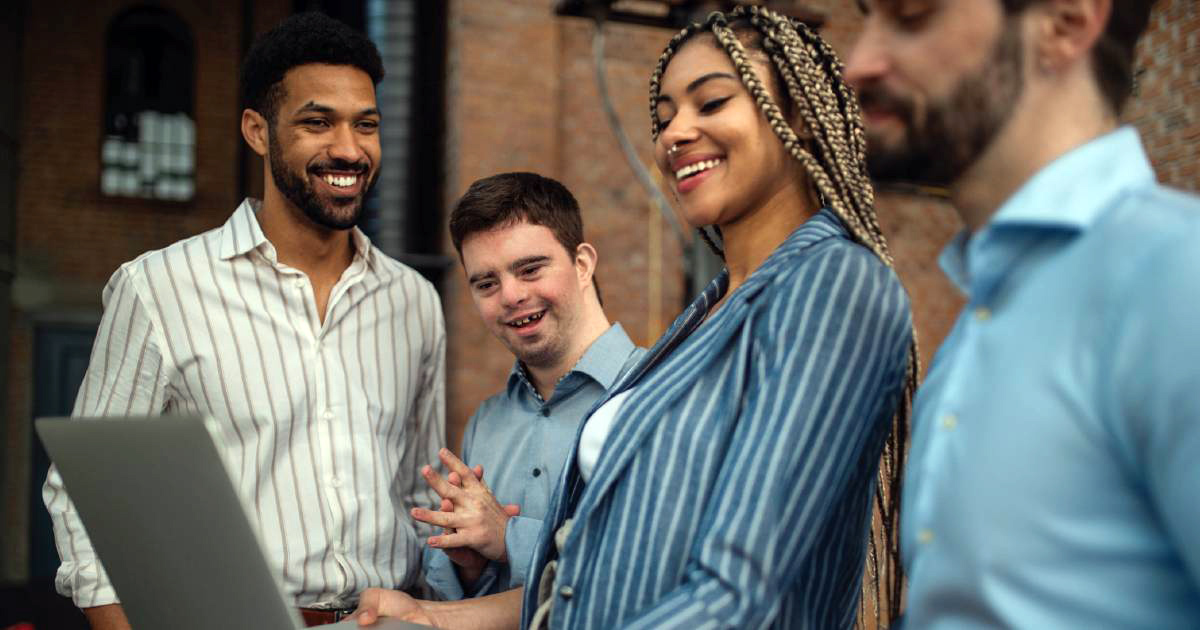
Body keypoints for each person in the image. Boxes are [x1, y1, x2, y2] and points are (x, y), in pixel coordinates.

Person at [354, 6, 917, 628]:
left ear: (801, 118)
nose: (675, 133)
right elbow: (586, 581)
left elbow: (740, 594)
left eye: (711, 102)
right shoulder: (708, 315)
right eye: (666, 114)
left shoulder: (828, 283)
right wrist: (431, 618)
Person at [42, 12, 445, 629]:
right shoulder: (159, 288)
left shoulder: (414, 301)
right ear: (258, 131)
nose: (349, 148)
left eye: (366, 124)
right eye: (318, 122)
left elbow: (417, 496)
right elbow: (88, 495)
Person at [847, 0, 1200, 627]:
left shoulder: (1174, 278)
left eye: (910, 15)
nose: (859, 63)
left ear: (1066, 22)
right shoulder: (981, 318)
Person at [418, 172, 644, 601]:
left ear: (582, 265)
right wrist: (472, 564)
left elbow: (648, 567)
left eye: (530, 269)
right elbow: (448, 594)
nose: (510, 295)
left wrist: (510, 540)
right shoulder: (487, 421)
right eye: (487, 283)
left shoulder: (661, 391)